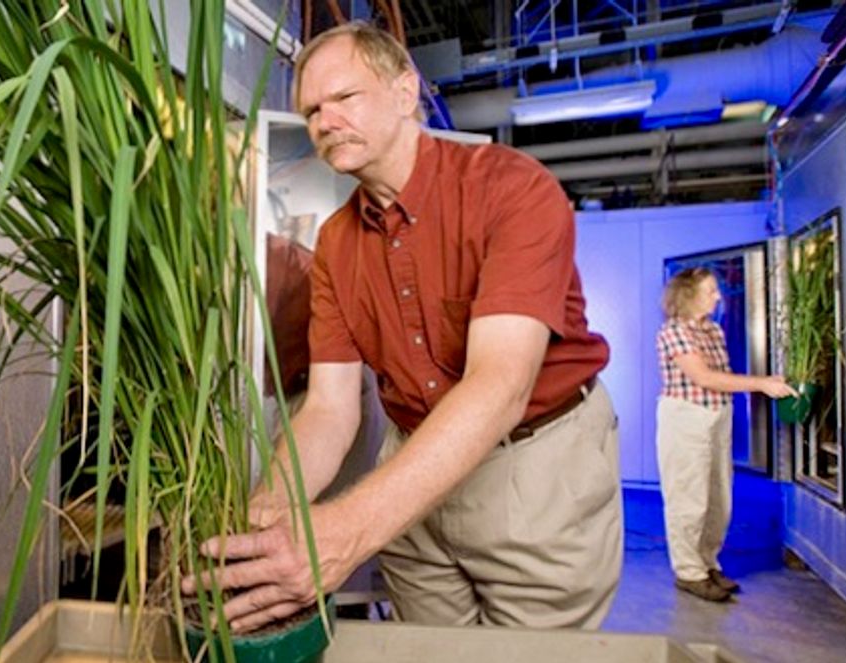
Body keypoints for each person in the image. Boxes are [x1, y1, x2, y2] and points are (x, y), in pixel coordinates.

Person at [181, 21, 622, 631]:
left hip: (532, 463)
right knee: (426, 649)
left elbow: (501, 388)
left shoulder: (513, 189)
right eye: (311, 110)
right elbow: (330, 410)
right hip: (411, 460)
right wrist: (267, 512)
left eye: (344, 98)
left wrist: (346, 532)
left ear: (404, 90)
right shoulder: (336, 241)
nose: (324, 121)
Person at [656, 267, 796, 602]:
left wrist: (761, 383)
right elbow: (704, 378)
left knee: (719, 497)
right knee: (689, 498)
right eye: (711, 291)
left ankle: (707, 563)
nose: (718, 296)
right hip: (686, 418)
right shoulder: (673, 332)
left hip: (717, 416)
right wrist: (761, 384)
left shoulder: (713, 330)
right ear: (688, 295)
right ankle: (689, 573)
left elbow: (721, 378)